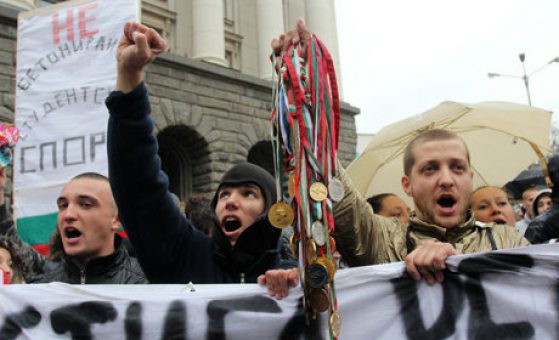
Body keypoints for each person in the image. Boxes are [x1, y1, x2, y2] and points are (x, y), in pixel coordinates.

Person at [106, 22, 297, 299]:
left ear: (272, 210)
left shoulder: (295, 271)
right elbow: (140, 187)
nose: (231, 201)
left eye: (248, 193)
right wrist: (129, 74)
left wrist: (301, 282)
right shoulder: (185, 255)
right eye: (224, 194)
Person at [331, 129, 529, 284]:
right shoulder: (382, 239)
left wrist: (458, 265)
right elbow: (328, 179)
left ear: (470, 178)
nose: (446, 180)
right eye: (430, 169)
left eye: (457, 168)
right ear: (407, 185)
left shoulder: (509, 240)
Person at [0, 172, 147, 284]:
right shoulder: (46, 283)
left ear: (116, 220)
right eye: (63, 206)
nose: (68, 214)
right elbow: (10, 238)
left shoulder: (147, 283)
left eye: (86, 205)